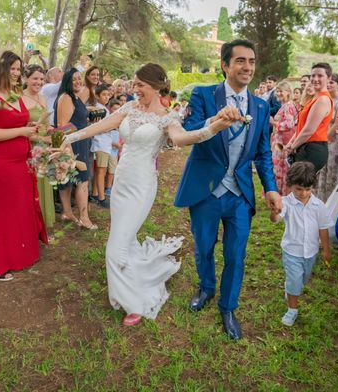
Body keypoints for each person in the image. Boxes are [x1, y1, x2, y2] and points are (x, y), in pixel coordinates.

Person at [62, 63, 239, 326]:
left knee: (115, 247)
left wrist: (212, 128)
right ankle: (134, 276)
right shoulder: (129, 108)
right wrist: (69, 139)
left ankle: (134, 302)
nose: (135, 90)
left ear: (156, 87)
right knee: (125, 237)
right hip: (120, 183)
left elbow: (182, 139)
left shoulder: (168, 117)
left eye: (140, 85)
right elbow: (100, 127)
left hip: (142, 185)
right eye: (134, 84)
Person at [174, 39, 282, 340]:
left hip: (239, 194)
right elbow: (190, 130)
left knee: (236, 254)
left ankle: (228, 306)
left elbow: (262, 153)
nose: (247, 67)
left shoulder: (261, 106)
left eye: (251, 61)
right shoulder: (203, 95)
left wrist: (270, 188)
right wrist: (215, 120)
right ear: (225, 65)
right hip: (207, 190)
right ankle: (206, 288)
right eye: (240, 61)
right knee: (204, 247)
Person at [0, 50, 46, 281]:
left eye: (18, 69)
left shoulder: (13, 95)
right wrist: (22, 131)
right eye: (12, 68)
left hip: (18, 163)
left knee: (18, 210)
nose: (16, 73)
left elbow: (18, 121)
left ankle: (19, 254)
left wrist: (34, 129)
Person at [269, 162, 331, 327]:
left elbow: (323, 229)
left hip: (311, 252)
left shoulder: (319, 206)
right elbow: (276, 219)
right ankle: (292, 310)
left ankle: (290, 287)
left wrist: (326, 250)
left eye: (308, 189)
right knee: (295, 281)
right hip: (291, 252)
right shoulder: (286, 203)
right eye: (299, 189)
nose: (303, 193)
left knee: (302, 280)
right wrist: (274, 213)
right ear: (290, 186)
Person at [54, 68, 95, 229]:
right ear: (67, 82)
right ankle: (84, 218)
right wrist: (68, 152)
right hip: (72, 144)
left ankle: (67, 212)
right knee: (82, 180)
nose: (78, 82)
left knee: (69, 180)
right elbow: (62, 126)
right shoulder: (66, 97)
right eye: (74, 80)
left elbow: (75, 119)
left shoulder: (75, 97)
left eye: (79, 79)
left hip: (80, 142)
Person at [22, 64, 55, 231]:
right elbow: (22, 131)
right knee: (30, 188)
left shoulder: (42, 98)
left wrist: (51, 131)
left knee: (43, 184)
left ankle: (40, 227)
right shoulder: (19, 98)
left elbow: (45, 124)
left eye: (42, 79)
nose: (39, 82)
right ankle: (29, 226)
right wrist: (43, 138)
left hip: (43, 149)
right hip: (27, 149)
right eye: (35, 78)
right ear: (26, 79)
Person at [285, 63, 333, 172]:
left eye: (320, 76)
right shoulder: (315, 98)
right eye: (313, 75)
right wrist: (291, 143)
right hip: (305, 146)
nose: (315, 79)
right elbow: (302, 127)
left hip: (313, 148)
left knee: (301, 186)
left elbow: (308, 130)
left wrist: (292, 147)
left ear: (329, 78)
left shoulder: (323, 99)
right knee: (299, 186)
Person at [316, 73, 338, 201]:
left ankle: (330, 204)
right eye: (328, 82)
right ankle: (319, 202)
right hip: (321, 138)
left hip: (333, 140)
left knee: (331, 173)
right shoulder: (323, 99)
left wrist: (324, 138)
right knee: (321, 172)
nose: (329, 85)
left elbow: (337, 123)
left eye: (332, 82)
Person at [270, 81, 297, 194]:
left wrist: (274, 123)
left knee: (281, 167)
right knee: (278, 167)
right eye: (277, 91)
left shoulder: (288, 106)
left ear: (288, 92)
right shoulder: (285, 105)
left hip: (282, 142)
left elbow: (289, 124)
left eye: (281, 91)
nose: (279, 93)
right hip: (278, 140)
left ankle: (282, 193)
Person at [90, 84, 112, 208]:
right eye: (104, 94)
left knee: (100, 170)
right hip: (101, 143)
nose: (107, 97)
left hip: (104, 143)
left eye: (108, 94)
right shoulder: (100, 109)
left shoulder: (104, 108)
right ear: (97, 96)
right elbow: (99, 127)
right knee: (101, 171)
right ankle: (101, 198)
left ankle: (95, 193)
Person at [105, 100, 122, 196]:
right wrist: (115, 144)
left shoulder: (118, 121)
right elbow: (106, 136)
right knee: (111, 170)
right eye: (114, 108)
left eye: (118, 109)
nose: (116, 111)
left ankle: (110, 185)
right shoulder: (109, 121)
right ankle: (108, 188)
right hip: (110, 148)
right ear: (110, 109)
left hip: (115, 150)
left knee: (113, 169)